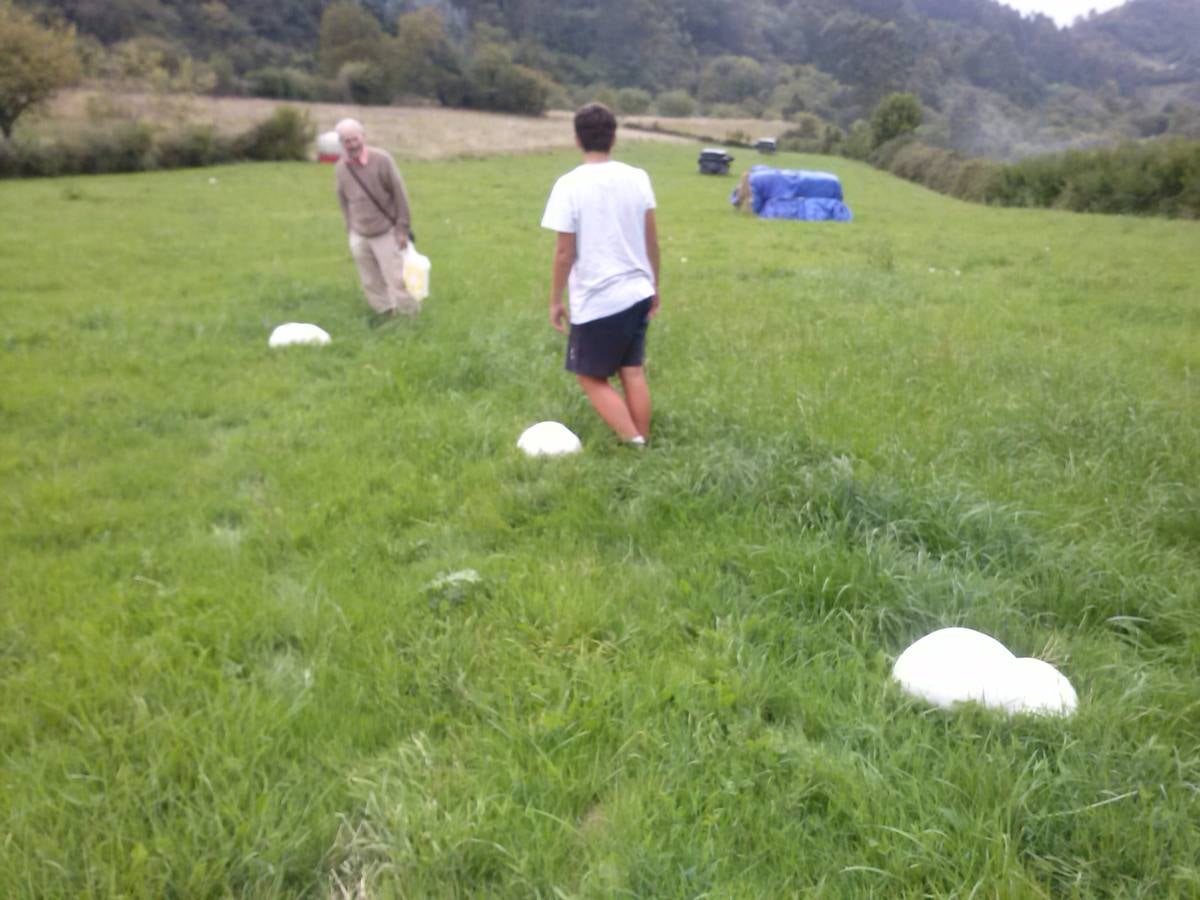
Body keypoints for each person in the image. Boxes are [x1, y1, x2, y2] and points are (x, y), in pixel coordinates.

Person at [540, 103, 661, 446]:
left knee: (589, 376)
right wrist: (654, 284)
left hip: (598, 297)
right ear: (614, 138)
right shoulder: (638, 178)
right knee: (631, 370)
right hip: (638, 290)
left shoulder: (569, 185)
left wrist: (554, 300)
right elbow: (652, 239)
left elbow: (565, 252)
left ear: (577, 139)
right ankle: (643, 440)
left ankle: (634, 442)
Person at [333, 118, 418, 322]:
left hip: (386, 231)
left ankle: (410, 318)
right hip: (359, 233)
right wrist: (350, 228)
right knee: (370, 280)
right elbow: (343, 199)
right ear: (341, 143)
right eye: (346, 141)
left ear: (363, 137)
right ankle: (386, 314)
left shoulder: (382, 160)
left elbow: (399, 193)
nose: (352, 144)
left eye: (355, 139)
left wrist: (402, 228)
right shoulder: (341, 168)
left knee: (397, 279)